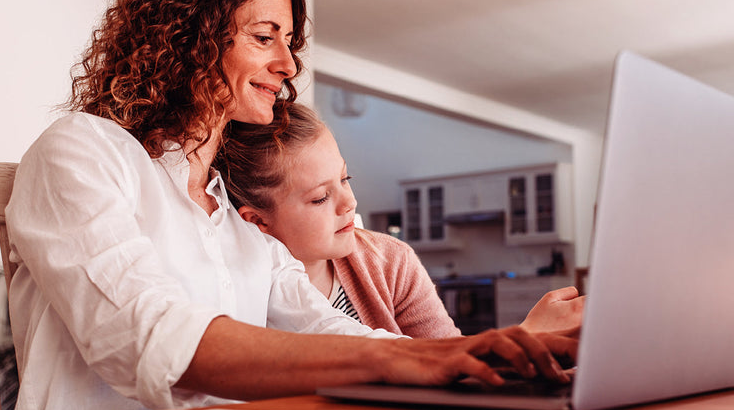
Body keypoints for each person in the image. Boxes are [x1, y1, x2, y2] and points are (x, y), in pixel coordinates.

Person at [5, 0, 578, 410]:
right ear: (190, 37)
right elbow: (152, 338)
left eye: (289, 42)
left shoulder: (239, 219)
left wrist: (493, 353)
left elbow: (325, 327)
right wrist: (414, 357)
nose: (287, 65)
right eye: (264, 37)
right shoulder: (82, 151)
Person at [217, 100, 584, 338]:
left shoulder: (391, 261)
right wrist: (525, 337)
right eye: (320, 197)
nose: (349, 202)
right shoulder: (235, 290)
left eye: (345, 179)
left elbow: (447, 355)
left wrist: (524, 340)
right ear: (257, 221)